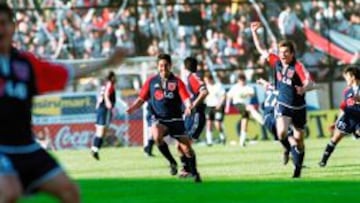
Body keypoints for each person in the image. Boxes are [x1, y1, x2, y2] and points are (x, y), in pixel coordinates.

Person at [0, 3, 126, 202]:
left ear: (12, 27)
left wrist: (107, 62)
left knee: (70, 192)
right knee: (9, 192)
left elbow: (69, 72)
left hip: (27, 147)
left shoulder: (26, 63)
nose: (1, 29)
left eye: (4, 23)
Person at [251, 21, 314, 178]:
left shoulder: (298, 67)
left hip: (299, 107)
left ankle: (297, 168)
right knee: (281, 133)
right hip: (283, 105)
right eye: (281, 52)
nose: (283, 55)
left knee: (299, 140)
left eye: (286, 52)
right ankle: (288, 149)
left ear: (292, 54)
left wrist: (304, 88)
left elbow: (310, 81)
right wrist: (254, 33)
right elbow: (261, 49)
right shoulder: (276, 62)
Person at [126, 53, 201, 182]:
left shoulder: (177, 81)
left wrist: (189, 106)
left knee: (187, 149)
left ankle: (194, 173)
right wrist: (133, 108)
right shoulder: (151, 81)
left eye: (166, 65)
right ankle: (172, 162)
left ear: (170, 66)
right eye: (161, 65)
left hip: (176, 119)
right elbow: (141, 99)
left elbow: (186, 98)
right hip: (159, 119)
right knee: (156, 135)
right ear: (157, 66)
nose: (163, 68)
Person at [319, 66, 360, 167]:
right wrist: (336, 121)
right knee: (335, 138)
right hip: (348, 117)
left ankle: (356, 133)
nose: (346, 80)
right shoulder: (347, 91)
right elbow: (343, 107)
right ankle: (323, 161)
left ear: (353, 77)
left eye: (346, 77)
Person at [180, 56, 208, 177]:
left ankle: (192, 170)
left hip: (196, 115)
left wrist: (192, 106)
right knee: (180, 144)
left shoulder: (193, 77)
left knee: (185, 143)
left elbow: (204, 92)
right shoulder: (187, 79)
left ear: (184, 67)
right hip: (189, 116)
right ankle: (187, 169)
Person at [225, 74, 264, 147]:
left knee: (245, 121)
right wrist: (227, 107)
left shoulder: (248, 87)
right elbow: (228, 96)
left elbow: (252, 94)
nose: (242, 82)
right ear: (238, 80)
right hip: (237, 104)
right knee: (251, 107)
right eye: (240, 80)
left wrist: (245, 94)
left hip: (245, 105)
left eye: (243, 80)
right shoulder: (235, 87)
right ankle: (261, 120)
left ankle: (242, 141)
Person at [91, 71, 117, 160]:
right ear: (111, 77)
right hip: (105, 109)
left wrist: (98, 106)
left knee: (101, 130)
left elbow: (101, 96)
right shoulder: (110, 84)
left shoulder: (104, 84)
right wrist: (108, 103)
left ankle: (95, 149)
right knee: (102, 130)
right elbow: (106, 94)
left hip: (100, 108)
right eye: (114, 77)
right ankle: (95, 149)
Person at [203, 73, 227, 146]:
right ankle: (209, 141)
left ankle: (222, 137)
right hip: (209, 106)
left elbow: (223, 96)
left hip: (218, 106)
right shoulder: (205, 87)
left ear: (211, 79)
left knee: (217, 124)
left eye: (207, 80)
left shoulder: (218, 86)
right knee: (209, 123)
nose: (206, 82)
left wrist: (219, 104)